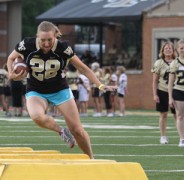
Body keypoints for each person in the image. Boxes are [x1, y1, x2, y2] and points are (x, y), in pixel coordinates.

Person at [6, 21, 115, 159]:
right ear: (37, 36)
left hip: (59, 89)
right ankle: (61, 131)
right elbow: (11, 58)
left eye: (49, 40)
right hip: (36, 89)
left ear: (55, 36)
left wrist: (100, 85)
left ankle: (91, 159)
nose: (46, 43)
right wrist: (11, 73)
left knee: (77, 130)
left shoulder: (63, 48)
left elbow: (83, 68)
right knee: (36, 116)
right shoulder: (27, 44)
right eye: (43, 40)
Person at [151, 41, 177, 144]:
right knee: (163, 114)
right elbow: (154, 81)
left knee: (178, 115)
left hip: (176, 90)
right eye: (166, 48)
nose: (168, 50)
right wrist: (155, 94)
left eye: (170, 48)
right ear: (162, 50)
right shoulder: (158, 63)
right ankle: (163, 136)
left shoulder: (177, 61)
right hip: (162, 90)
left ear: (173, 50)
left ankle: (181, 136)